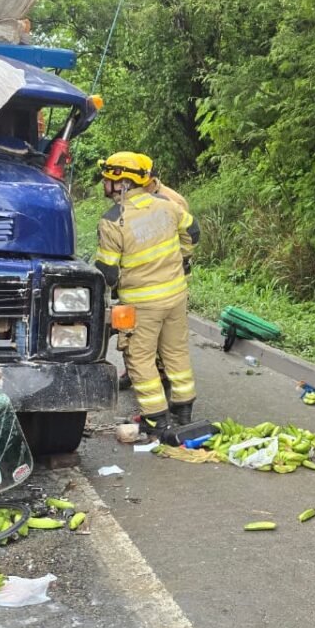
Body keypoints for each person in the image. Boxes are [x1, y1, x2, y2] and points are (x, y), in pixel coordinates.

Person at [94, 153, 201, 436]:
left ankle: (156, 419)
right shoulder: (166, 205)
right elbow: (193, 231)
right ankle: (183, 409)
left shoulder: (113, 221)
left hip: (142, 304)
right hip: (176, 296)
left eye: (107, 178)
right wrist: (182, 257)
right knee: (175, 352)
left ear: (121, 183)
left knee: (139, 358)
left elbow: (108, 272)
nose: (104, 183)